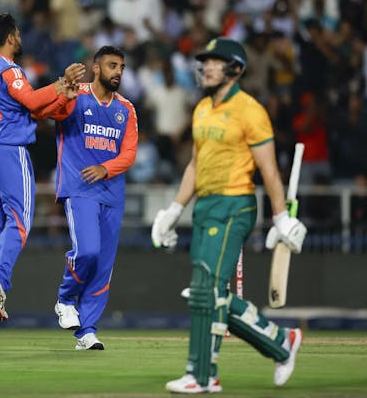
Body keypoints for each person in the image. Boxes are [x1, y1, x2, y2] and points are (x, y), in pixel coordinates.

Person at [151, 37, 307, 393]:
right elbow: (195, 163)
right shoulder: (202, 109)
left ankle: (202, 376)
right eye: (205, 61)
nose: (206, 66)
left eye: (215, 61)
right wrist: (173, 210)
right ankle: (281, 341)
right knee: (209, 292)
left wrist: (281, 217)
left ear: (235, 69)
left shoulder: (251, 110)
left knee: (206, 288)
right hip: (206, 206)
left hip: (235, 205)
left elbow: (268, 169)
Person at [0, 13, 85, 321]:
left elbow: (30, 112)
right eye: (17, 33)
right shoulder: (9, 69)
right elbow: (33, 102)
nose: (20, 37)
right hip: (9, 152)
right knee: (19, 222)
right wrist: (61, 83)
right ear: (10, 37)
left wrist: (61, 96)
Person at [49, 46, 138, 350]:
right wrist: (63, 93)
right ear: (96, 68)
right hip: (80, 188)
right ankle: (64, 299)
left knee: (102, 266)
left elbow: (129, 153)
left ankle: (86, 331)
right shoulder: (77, 93)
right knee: (87, 252)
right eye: (113, 66)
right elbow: (51, 113)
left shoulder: (126, 108)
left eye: (122, 67)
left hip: (112, 194)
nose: (119, 72)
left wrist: (106, 168)